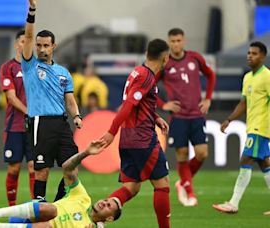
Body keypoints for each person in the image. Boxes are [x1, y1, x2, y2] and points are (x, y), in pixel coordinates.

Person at [100, 39, 171, 228]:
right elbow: (128, 105)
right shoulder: (146, 77)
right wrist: (111, 132)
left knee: (131, 187)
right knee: (162, 184)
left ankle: (98, 218)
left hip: (129, 139)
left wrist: (155, 117)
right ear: (165, 58)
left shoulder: (137, 72)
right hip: (143, 139)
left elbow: (138, 103)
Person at [0, 141, 122, 228]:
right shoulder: (83, 197)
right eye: (107, 201)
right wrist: (86, 153)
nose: (104, 203)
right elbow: (67, 168)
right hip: (27, 217)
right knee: (51, 208)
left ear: (108, 219)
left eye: (109, 207)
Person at [21, 0, 83, 202]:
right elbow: (28, 35)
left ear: (53, 46)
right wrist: (32, 10)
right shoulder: (30, 66)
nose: (41, 49)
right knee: (42, 170)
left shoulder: (63, 72)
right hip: (40, 122)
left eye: (45, 45)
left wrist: (76, 116)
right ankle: (39, 208)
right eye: (38, 45)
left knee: (71, 166)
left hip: (61, 123)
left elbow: (70, 99)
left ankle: (57, 204)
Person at [155, 28, 216, 206]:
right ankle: (189, 191)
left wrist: (208, 99)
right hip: (179, 117)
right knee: (182, 155)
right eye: (172, 41)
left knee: (202, 153)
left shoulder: (195, 58)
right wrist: (163, 105)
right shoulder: (165, 63)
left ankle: (182, 181)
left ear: (184, 41)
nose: (176, 44)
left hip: (197, 114)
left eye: (178, 40)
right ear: (169, 42)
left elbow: (211, 75)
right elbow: (151, 84)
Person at [212, 41, 270, 214]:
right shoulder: (248, 77)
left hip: (260, 127)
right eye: (249, 53)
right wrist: (229, 119)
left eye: (254, 53)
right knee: (265, 164)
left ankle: (233, 203)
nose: (250, 56)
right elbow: (243, 103)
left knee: (246, 160)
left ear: (263, 56)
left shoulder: (267, 76)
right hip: (252, 126)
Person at [0, 30, 35, 206]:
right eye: (22, 41)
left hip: (34, 127)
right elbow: (11, 98)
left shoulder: (38, 67)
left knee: (33, 167)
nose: (25, 44)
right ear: (16, 44)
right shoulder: (8, 67)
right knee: (14, 168)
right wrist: (29, 111)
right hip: (15, 126)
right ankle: (12, 208)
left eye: (28, 41)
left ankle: (36, 208)